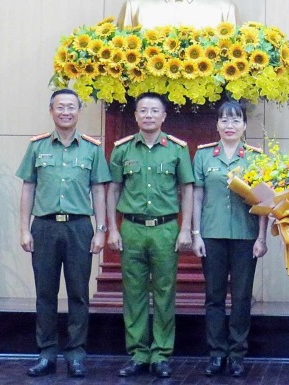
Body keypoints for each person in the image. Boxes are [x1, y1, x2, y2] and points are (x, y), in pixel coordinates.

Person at [16, 89, 111, 378]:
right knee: (45, 293)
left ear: (79, 111)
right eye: (60, 107)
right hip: (44, 226)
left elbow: (99, 190)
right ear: (51, 111)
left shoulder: (92, 149)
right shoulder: (37, 147)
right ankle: (46, 354)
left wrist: (101, 230)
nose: (66, 112)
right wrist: (23, 228)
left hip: (79, 227)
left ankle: (76, 354)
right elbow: (28, 188)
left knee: (79, 293)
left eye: (71, 107)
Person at [106, 93, 194, 379]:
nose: (148, 115)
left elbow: (188, 190)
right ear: (135, 116)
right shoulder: (122, 150)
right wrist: (112, 228)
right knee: (133, 293)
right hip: (131, 228)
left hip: (166, 228)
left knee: (165, 291)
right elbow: (113, 190)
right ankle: (138, 353)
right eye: (142, 110)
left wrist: (185, 228)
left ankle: (161, 354)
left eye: (154, 111)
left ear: (164, 116)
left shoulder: (177, 149)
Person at [191, 101, 268, 378]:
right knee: (213, 297)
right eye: (224, 120)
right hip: (211, 235)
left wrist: (261, 237)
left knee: (241, 297)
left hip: (245, 236)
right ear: (217, 125)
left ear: (245, 126)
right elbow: (197, 196)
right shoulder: (202, 156)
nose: (229, 126)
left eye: (235, 120)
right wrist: (195, 234)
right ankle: (216, 354)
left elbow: (264, 201)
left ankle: (237, 354)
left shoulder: (256, 157)